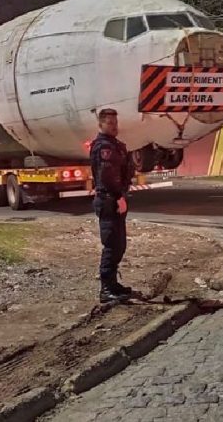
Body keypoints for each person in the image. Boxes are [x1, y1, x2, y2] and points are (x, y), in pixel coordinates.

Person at [88, 108, 136, 302]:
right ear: (101, 125)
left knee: (119, 245)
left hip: (116, 199)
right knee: (111, 245)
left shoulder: (116, 145)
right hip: (109, 200)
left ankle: (114, 285)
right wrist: (118, 197)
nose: (114, 126)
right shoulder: (103, 147)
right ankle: (106, 289)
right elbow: (107, 176)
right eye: (110, 123)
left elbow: (125, 171)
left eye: (115, 123)